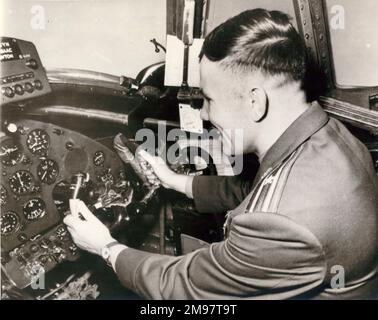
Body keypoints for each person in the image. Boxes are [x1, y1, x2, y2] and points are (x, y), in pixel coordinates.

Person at [64, 9, 378, 299]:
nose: (203, 114)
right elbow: (254, 191)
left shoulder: (282, 225)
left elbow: (183, 285)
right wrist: (176, 181)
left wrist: (105, 246)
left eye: (209, 100)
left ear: (256, 101)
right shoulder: (329, 134)